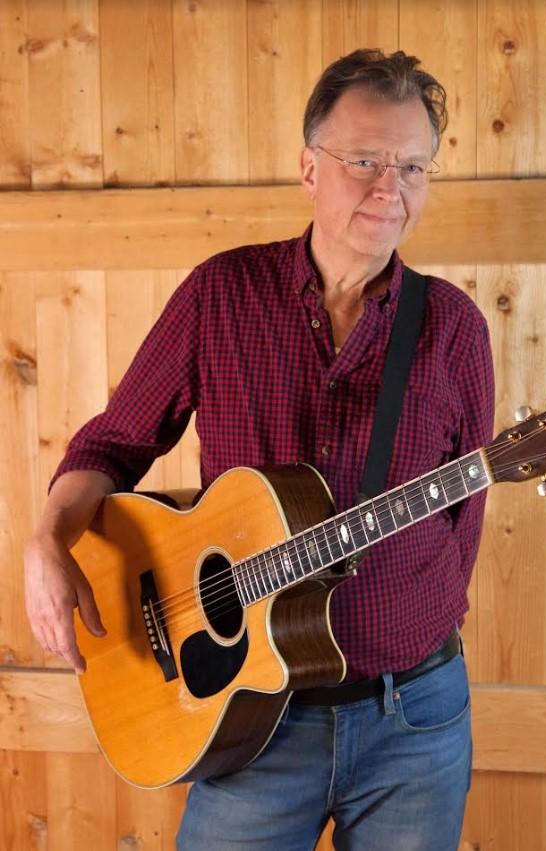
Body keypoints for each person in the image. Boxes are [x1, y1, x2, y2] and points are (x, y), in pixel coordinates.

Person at [24, 49, 494, 851]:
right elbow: (116, 440)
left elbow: (463, 517)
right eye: (366, 160)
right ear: (309, 168)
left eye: (415, 166)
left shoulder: (452, 328)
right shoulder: (222, 293)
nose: (393, 188)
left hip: (413, 719)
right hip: (247, 717)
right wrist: (46, 537)